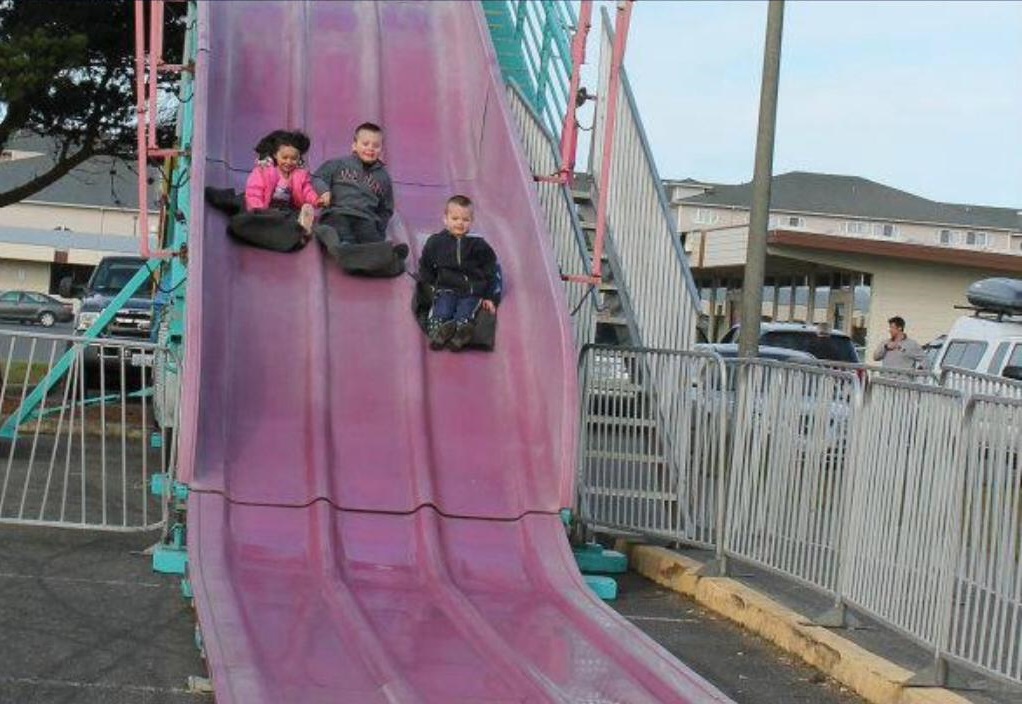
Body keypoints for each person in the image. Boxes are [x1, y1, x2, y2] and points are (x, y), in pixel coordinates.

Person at [313, 122, 408, 275]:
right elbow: (318, 178)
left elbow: (386, 208)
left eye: (376, 145)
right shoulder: (338, 164)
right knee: (342, 232)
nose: (370, 148)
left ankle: (383, 257)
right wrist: (324, 192)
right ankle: (349, 250)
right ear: (354, 145)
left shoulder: (383, 177)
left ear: (381, 149)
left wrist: (379, 227)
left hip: (366, 218)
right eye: (365, 143)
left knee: (372, 240)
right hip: (339, 212)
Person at [224, 130, 332, 252]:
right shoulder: (264, 172)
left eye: (293, 159)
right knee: (241, 223)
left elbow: (307, 190)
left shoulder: (300, 175)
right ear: (275, 155)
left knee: (287, 218)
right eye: (284, 157)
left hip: (286, 211)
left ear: (299, 159)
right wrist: (257, 209)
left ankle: (300, 228)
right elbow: (254, 191)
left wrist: (316, 201)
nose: (289, 162)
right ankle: (297, 232)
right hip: (263, 209)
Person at [418, 195, 502, 351]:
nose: (460, 223)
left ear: (471, 221)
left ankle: (459, 337)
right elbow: (426, 264)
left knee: (464, 315)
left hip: (471, 291)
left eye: (465, 219)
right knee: (441, 312)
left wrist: (491, 297)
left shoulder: (478, 244)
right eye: (455, 218)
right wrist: (428, 284)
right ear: (445, 219)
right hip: (446, 288)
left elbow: (492, 270)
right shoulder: (436, 242)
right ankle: (439, 334)